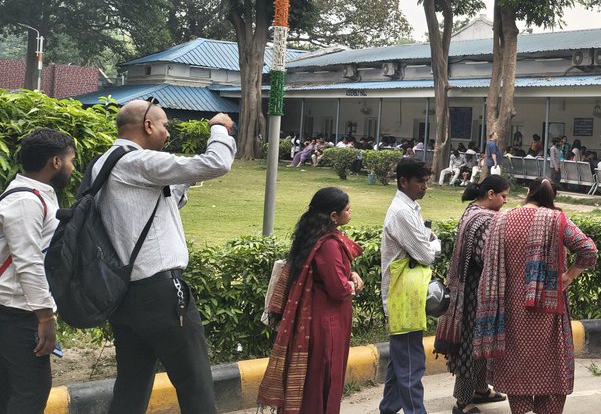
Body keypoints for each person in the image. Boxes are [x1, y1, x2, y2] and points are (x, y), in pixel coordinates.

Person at [97, 100, 235, 414]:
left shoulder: (105, 162)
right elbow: (217, 163)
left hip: (123, 295)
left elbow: (157, 207)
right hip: (160, 293)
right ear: (147, 126)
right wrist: (219, 129)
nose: (167, 131)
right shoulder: (139, 162)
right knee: (195, 382)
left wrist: (186, 176)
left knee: (132, 386)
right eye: (164, 125)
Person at [473, 178, 598, 414]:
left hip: (510, 312)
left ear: (528, 193)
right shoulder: (557, 220)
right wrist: (569, 275)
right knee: (549, 370)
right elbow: (589, 251)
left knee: (516, 371)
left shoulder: (502, 220)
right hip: (546, 312)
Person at [258, 188, 364, 413]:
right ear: (333, 216)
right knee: (324, 378)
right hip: (327, 322)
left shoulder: (313, 237)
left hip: (317, 318)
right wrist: (352, 284)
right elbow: (337, 288)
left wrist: (350, 273)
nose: (351, 211)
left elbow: (331, 272)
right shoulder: (329, 244)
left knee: (312, 379)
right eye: (347, 208)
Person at [0, 129, 75, 412]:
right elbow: (28, 260)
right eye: (71, 160)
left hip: (15, 311)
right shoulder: (26, 201)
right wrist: (45, 316)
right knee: (30, 392)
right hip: (15, 315)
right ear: (55, 162)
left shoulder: (38, 196)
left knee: (11, 391)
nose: (72, 167)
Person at [434, 176, 511, 414]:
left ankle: (480, 389)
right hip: (475, 292)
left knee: (479, 340)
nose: (505, 202)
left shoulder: (471, 211)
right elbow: (486, 254)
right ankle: (463, 400)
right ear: (490, 194)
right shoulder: (484, 220)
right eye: (503, 196)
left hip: (467, 289)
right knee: (471, 344)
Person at [380, 159, 441, 414]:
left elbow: (426, 244)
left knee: (400, 362)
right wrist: (433, 246)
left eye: (426, 182)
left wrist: (429, 244)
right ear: (403, 181)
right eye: (420, 182)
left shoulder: (410, 207)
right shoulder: (403, 213)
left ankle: (388, 409)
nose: (424, 187)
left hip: (408, 295)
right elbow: (427, 254)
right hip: (402, 297)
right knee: (411, 364)